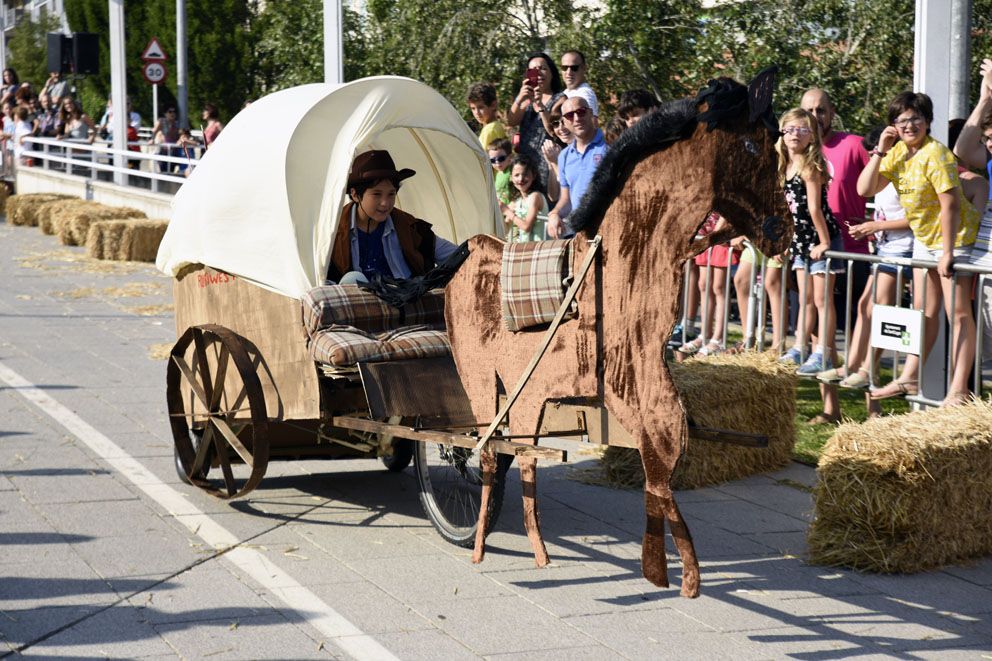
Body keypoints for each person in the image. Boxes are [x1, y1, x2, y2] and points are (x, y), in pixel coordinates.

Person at [858, 92, 981, 407]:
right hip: (926, 239)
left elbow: (950, 204)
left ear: (927, 121)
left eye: (916, 118)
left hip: (955, 238)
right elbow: (864, 189)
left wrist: (948, 251)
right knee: (923, 311)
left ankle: (958, 390)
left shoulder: (936, 154)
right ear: (893, 126)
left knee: (958, 313)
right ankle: (910, 375)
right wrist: (879, 151)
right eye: (901, 120)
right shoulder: (897, 153)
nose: (909, 125)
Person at [817, 128, 914, 417]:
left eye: (879, 153)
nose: (875, 158)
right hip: (886, 251)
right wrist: (870, 226)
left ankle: (868, 369)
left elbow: (916, 217)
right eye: (872, 154)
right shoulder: (882, 176)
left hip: (906, 252)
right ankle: (856, 365)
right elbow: (880, 207)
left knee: (879, 311)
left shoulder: (906, 175)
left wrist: (876, 227)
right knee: (866, 307)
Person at [776, 108, 844, 426]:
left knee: (821, 299)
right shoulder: (784, 166)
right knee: (803, 299)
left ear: (812, 135)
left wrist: (824, 242)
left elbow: (816, 209)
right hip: (801, 241)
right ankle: (802, 345)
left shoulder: (811, 166)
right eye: (790, 128)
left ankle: (823, 350)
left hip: (820, 237)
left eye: (802, 129)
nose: (795, 134)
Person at [326, 149, 459, 284]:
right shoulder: (332, 232)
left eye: (391, 194)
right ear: (355, 195)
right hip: (360, 302)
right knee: (352, 278)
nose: (385, 203)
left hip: (402, 298)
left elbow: (457, 256)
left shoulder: (410, 227)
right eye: (377, 194)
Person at [547, 96, 607, 239]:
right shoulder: (564, 156)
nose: (576, 118)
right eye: (569, 115)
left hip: (607, 231)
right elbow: (566, 200)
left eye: (581, 111)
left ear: (591, 113)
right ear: (565, 121)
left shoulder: (609, 146)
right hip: (579, 235)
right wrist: (555, 214)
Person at [678, 213, 737, 356]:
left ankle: (718, 339)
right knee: (703, 284)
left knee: (718, 287)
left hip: (721, 235)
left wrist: (719, 229)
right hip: (704, 235)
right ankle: (705, 334)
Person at [505, 52, 565, 192]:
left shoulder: (560, 99)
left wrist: (540, 106)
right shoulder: (526, 99)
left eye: (543, 68)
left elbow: (553, 131)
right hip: (525, 169)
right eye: (533, 70)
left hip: (547, 165)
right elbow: (511, 121)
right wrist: (519, 98)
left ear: (552, 72)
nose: (538, 74)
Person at [504, 154, 548, 242]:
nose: (521, 179)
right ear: (511, 178)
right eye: (516, 175)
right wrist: (507, 217)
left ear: (534, 175)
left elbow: (526, 227)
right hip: (524, 249)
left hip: (538, 249)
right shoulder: (517, 201)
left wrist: (507, 211)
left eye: (525, 174)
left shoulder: (535, 197)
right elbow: (505, 229)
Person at [467, 82, 507, 150]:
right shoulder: (495, 126)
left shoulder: (490, 129)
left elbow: (484, 159)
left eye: (481, 107)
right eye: (473, 108)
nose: (477, 113)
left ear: (493, 105)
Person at [560, 50, 599, 118]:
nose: (569, 72)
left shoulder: (585, 94)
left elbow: (591, 123)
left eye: (574, 68)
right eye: (565, 68)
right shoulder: (565, 93)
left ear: (584, 68)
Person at [488, 137, 513, 212]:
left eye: (501, 159)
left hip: (510, 210)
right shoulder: (498, 173)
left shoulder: (512, 171)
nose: (497, 163)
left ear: (510, 157)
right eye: (492, 160)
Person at [152, 107, 181, 172]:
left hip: (174, 150)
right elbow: (154, 131)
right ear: (165, 113)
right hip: (164, 150)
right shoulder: (162, 121)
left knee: (171, 170)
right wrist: (152, 139)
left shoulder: (178, 123)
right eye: (170, 112)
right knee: (163, 170)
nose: (172, 113)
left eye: (174, 112)